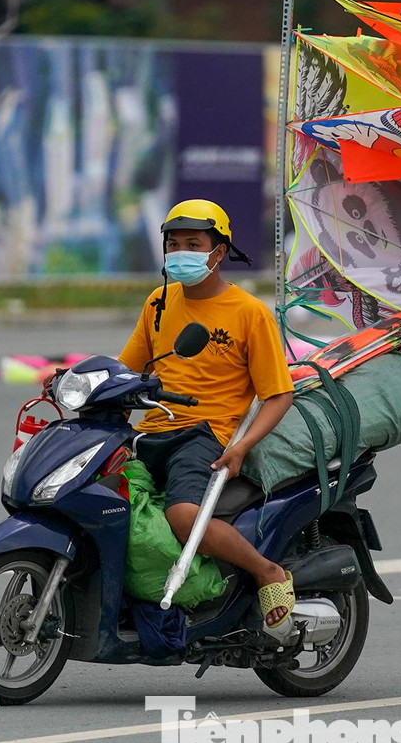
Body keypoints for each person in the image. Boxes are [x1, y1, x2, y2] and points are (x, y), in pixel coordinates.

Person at [116, 200, 297, 629]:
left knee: (181, 515)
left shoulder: (249, 313)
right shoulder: (158, 301)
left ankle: (266, 570)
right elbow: (127, 371)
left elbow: (278, 395)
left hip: (203, 435)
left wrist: (241, 448)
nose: (181, 252)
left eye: (193, 243)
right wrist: (75, 379)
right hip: (151, 429)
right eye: (173, 243)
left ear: (219, 252)